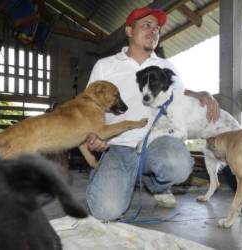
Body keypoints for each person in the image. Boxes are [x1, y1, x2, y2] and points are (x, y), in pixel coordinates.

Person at [85, 7, 220, 221]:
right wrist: (92, 135)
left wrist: (201, 93)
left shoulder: (166, 65)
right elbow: (89, 107)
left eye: (156, 28)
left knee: (178, 164)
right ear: (129, 31)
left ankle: (156, 185)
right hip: (117, 146)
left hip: (156, 143)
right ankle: (107, 174)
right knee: (106, 211)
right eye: (146, 25)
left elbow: (180, 94)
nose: (153, 31)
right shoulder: (105, 66)